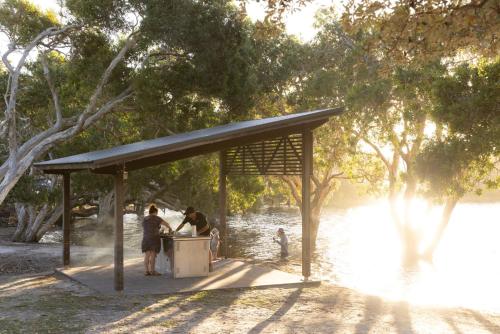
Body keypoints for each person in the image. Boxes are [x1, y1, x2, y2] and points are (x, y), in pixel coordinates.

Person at [142, 204, 172, 276]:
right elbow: (167, 224)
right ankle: (152, 271)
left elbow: (145, 227)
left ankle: (146, 271)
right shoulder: (157, 218)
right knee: (153, 255)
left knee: (147, 255)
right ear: (155, 212)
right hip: (154, 238)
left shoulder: (145, 219)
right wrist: (170, 229)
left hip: (146, 238)